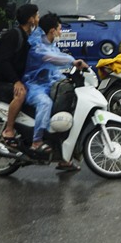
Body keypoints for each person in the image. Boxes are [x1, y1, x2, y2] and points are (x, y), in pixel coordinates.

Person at [23, 12, 88, 170]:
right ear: (52, 30)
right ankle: (36, 141)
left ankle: (64, 158)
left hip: (49, 82)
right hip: (34, 85)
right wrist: (73, 61)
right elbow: (50, 58)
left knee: (66, 107)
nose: (61, 32)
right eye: (59, 29)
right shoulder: (37, 45)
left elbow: (58, 56)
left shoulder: (50, 42)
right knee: (46, 104)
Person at [0, 4, 40, 146]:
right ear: (31, 19)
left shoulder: (29, 36)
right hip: (2, 83)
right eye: (36, 16)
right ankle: (9, 129)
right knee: (21, 94)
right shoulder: (13, 35)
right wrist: (16, 81)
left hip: (18, 80)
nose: (38, 19)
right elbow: (4, 62)